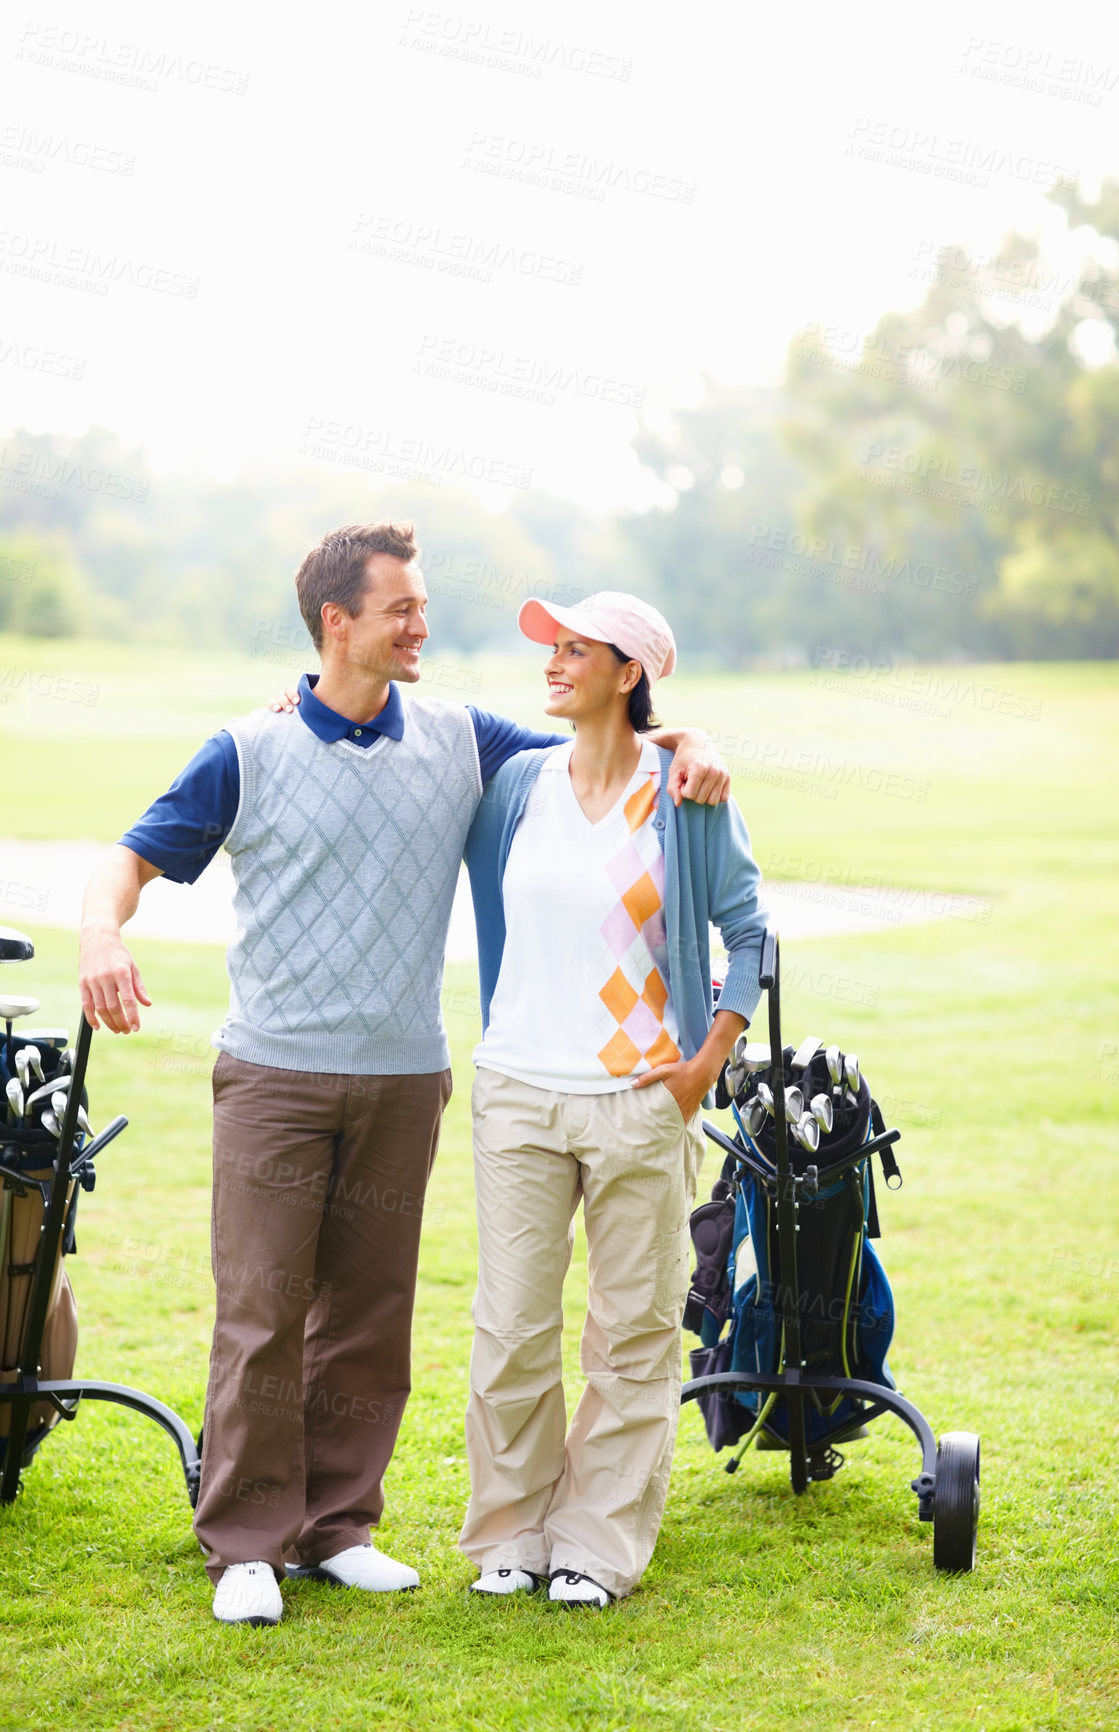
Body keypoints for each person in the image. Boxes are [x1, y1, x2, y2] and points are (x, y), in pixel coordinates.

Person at [77, 523, 730, 1627]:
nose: (423, 624)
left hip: (403, 1079)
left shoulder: (462, 739)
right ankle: (247, 1540)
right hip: (275, 1073)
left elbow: (607, 738)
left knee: (370, 1314)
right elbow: (131, 856)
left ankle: (339, 1525)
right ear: (339, 622)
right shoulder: (248, 747)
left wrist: (690, 735)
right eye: (402, 610)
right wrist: (102, 934)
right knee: (261, 1312)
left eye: (422, 607)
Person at [459, 591, 766, 1607]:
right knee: (509, 1326)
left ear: (627, 672)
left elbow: (749, 937)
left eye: (573, 650)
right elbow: (385, 724)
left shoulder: (685, 794)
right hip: (516, 1093)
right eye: (549, 647)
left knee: (631, 1332)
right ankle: (510, 1532)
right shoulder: (514, 781)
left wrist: (703, 1063)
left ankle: (594, 1544)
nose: (550, 662)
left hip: (640, 1102)